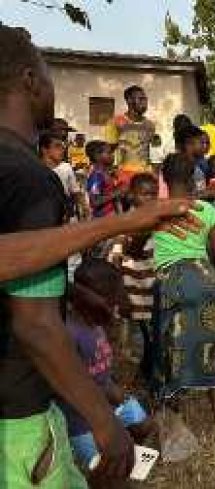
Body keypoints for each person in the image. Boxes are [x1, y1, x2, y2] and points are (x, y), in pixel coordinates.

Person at [0, 24, 134, 487]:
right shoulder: (30, 179)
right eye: (48, 72)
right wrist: (104, 419)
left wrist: (73, 291)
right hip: (19, 419)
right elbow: (33, 323)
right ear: (29, 81)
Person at [153, 154, 215, 420]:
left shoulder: (156, 210)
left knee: (170, 343)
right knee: (211, 342)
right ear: (192, 178)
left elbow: (133, 245)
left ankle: (172, 411)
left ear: (164, 179)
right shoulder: (206, 210)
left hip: (169, 281)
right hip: (203, 279)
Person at [60, 258, 157, 472]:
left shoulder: (96, 325)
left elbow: (103, 373)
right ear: (90, 300)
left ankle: (130, 458)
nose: (115, 308)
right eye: (111, 302)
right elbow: (74, 388)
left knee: (146, 424)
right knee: (102, 470)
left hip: (109, 406)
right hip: (81, 422)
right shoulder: (69, 333)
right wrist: (110, 394)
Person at [108, 173, 159, 383]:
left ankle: (144, 376)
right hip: (131, 294)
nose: (150, 199)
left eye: (153, 194)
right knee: (136, 342)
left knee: (150, 338)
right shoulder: (127, 222)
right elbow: (117, 258)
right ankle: (137, 379)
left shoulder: (157, 221)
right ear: (132, 195)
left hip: (151, 290)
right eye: (144, 194)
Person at [104, 85, 155, 189]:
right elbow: (109, 150)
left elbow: (149, 151)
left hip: (146, 176)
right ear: (129, 100)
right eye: (140, 99)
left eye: (145, 99)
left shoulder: (150, 125)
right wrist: (109, 174)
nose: (144, 102)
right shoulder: (116, 122)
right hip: (125, 176)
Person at [40, 131, 85, 220]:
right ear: (44, 149)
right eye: (57, 146)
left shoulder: (66, 167)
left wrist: (84, 209)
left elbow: (75, 193)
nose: (62, 150)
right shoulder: (35, 168)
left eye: (62, 147)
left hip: (65, 216)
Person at [86, 140, 120, 220]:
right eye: (109, 153)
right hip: (102, 219)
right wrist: (116, 193)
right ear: (97, 156)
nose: (112, 156)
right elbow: (94, 201)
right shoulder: (96, 177)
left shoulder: (106, 173)